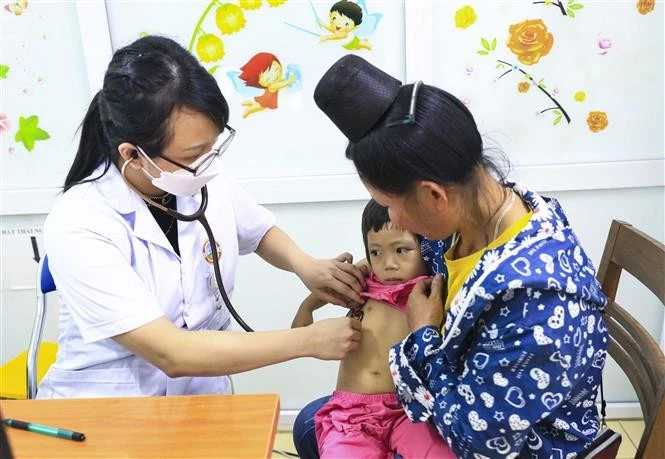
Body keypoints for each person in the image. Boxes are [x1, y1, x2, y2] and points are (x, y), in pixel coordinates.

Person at [294, 55, 609, 458]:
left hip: (512, 446)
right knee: (313, 422)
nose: (392, 219)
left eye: (389, 205)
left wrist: (424, 334)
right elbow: (409, 259)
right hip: (450, 402)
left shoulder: (538, 306)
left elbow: (475, 439)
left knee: (315, 428)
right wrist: (365, 274)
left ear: (433, 196)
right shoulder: (470, 219)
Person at [36, 36, 366, 399]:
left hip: (201, 396)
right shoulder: (81, 221)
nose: (209, 163)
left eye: (213, 145)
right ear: (132, 154)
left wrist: (305, 265)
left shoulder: (197, 176)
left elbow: (257, 231)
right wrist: (308, 340)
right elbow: (170, 352)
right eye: (195, 152)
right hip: (112, 405)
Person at [292, 199, 455, 458]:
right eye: (376, 252)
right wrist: (307, 307)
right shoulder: (363, 283)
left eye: (401, 250)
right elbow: (297, 332)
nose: (388, 264)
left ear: (427, 249)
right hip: (351, 415)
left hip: (409, 413)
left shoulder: (431, 292)